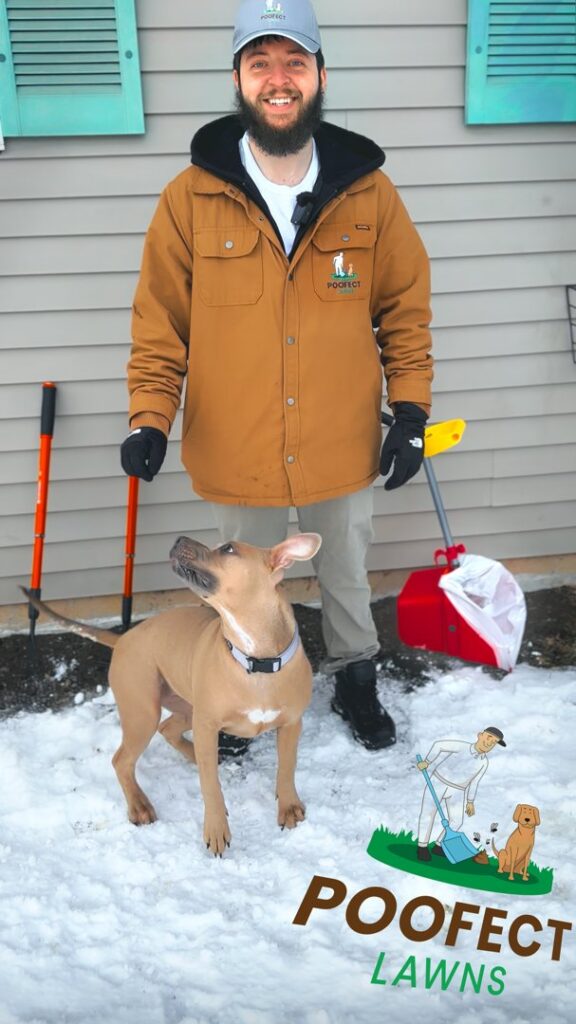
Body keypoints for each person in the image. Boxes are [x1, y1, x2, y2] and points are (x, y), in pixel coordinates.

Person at [121, 0, 433, 754]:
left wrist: (412, 412)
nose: (278, 79)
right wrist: (149, 417)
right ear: (238, 79)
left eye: (294, 61)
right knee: (236, 588)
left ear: (321, 74)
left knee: (348, 574)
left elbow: (405, 310)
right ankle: (230, 696)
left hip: (340, 437)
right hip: (239, 442)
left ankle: (356, 675)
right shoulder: (188, 198)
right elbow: (160, 321)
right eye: (260, 62)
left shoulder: (369, 195)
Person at [416, 727, 507, 861]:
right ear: (480, 735)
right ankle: (422, 847)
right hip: (439, 782)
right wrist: (427, 761)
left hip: (458, 790)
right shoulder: (461, 747)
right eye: (488, 737)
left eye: (494, 742)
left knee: (457, 819)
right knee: (428, 814)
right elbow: (438, 745)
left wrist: (470, 801)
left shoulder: (483, 763)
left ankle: (439, 846)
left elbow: (474, 782)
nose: (489, 743)